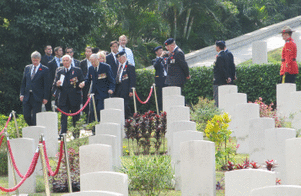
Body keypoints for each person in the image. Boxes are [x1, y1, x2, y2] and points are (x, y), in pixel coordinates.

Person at [52, 55, 85, 136]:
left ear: (70, 61)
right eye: (64, 61)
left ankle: (76, 134)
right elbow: (55, 84)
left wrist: (82, 84)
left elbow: (83, 80)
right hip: (63, 98)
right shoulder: (59, 71)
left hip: (74, 97)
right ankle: (63, 134)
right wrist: (57, 84)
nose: (65, 62)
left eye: (67, 60)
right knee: (63, 117)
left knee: (76, 117)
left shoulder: (77, 70)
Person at [80, 54, 115, 122]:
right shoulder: (91, 68)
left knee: (100, 109)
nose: (93, 63)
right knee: (93, 111)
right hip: (94, 93)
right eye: (91, 62)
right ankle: (94, 128)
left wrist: (111, 89)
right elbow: (88, 79)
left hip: (103, 93)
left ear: (98, 60)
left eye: (94, 61)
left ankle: (102, 125)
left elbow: (111, 80)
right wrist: (83, 83)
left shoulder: (106, 67)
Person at [20, 51, 50, 126]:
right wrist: (21, 94)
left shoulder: (44, 69)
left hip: (37, 96)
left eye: (36, 60)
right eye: (34, 60)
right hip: (27, 96)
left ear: (40, 59)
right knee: (26, 116)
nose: (35, 62)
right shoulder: (27, 68)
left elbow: (46, 85)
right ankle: (32, 127)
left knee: (35, 117)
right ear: (31, 59)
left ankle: (35, 131)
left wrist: (46, 97)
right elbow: (24, 82)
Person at [114, 51, 136, 119]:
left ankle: (129, 117)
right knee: (120, 104)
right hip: (119, 88)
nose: (119, 60)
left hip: (126, 89)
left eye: (119, 58)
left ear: (124, 57)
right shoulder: (119, 67)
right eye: (118, 59)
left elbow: (132, 79)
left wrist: (131, 90)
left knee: (125, 104)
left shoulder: (130, 66)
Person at [213, 40, 231, 107]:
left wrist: (226, 77)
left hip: (219, 80)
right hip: (224, 80)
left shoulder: (220, 57)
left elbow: (221, 68)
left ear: (218, 47)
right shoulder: (226, 55)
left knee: (217, 97)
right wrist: (228, 77)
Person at [46, 46, 63, 111]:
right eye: (60, 50)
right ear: (56, 52)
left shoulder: (64, 61)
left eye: (62, 50)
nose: (61, 52)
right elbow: (50, 76)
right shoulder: (50, 63)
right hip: (55, 83)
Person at [152, 46, 167, 112]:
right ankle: (160, 110)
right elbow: (156, 66)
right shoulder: (154, 60)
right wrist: (160, 57)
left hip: (167, 78)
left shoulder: (165, 59)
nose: (161, 51)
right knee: (160, 96)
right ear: (156, 52)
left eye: (162, 50)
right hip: (160, 80)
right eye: (159, 50)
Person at [80, 46, 93, 121]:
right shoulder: (82, 63)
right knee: (85, 100)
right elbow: (81, 74)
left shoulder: (94, 60)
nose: (88, 53)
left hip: (94, 82)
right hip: (86, 84)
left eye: (89, 51)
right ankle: (85, 118)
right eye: (87, 51)